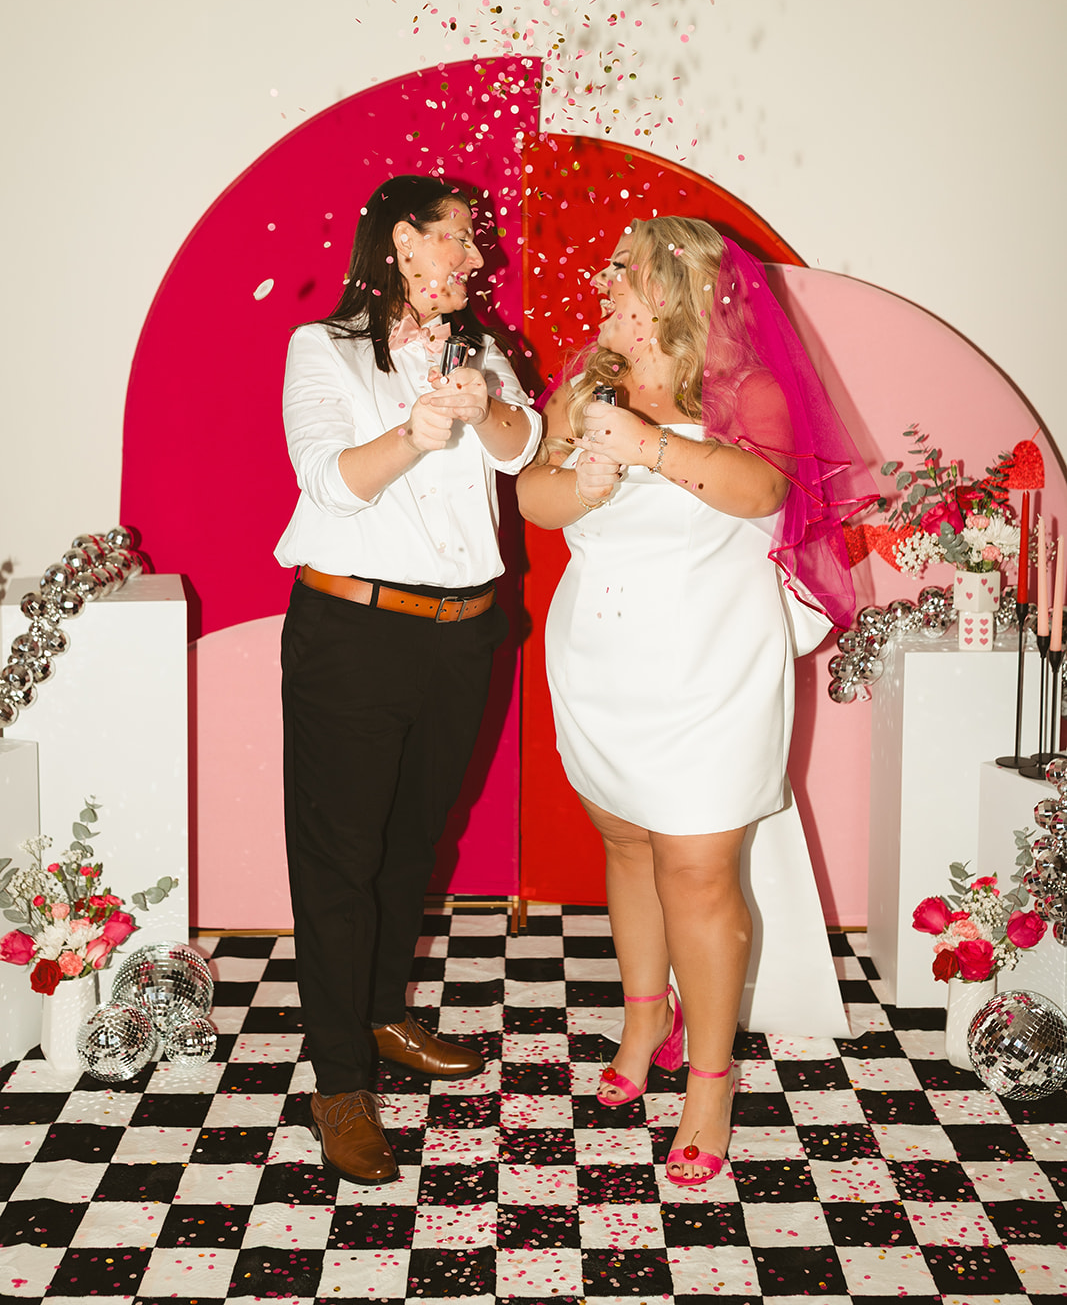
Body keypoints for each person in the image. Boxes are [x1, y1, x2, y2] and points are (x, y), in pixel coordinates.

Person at [516, 216, 865, 1186]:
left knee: (700, 871)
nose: (601, 285)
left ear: (674, 286)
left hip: (712, 666)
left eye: (620, 272)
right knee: (625, 842)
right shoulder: (586, 380)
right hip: (599, 659)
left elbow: (759, 489)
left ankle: (708, 1083)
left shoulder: (743, 389)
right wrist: (581, 479)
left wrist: (644, 445)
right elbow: (532, 501)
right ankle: (642, 1022)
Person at [275, 174, 540, 1186]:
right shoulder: (324, 349)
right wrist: (416, 430)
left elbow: (530, 449)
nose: (478, 259)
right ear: (400, 241)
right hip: (353, 629)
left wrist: (485, 413)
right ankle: (338, 1080)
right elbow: (327, 482)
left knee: (411, 841)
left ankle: (383, 1013)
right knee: (339, 860)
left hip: (461, 633)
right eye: (460, 239)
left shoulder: (482, 350)